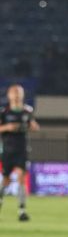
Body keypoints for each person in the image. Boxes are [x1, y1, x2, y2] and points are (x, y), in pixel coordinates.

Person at [0, 84, 39, 221]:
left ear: (22, 95)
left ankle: (22, 211)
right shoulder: (4, 112)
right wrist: (8, 127)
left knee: (22, 178)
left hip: (22, 150)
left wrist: (32, 127)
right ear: (9, 95)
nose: (16, 95)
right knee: (6, 180)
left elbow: (34, 126)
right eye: (14, 92)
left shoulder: (27, 111)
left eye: (19, 92)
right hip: (8, 150)